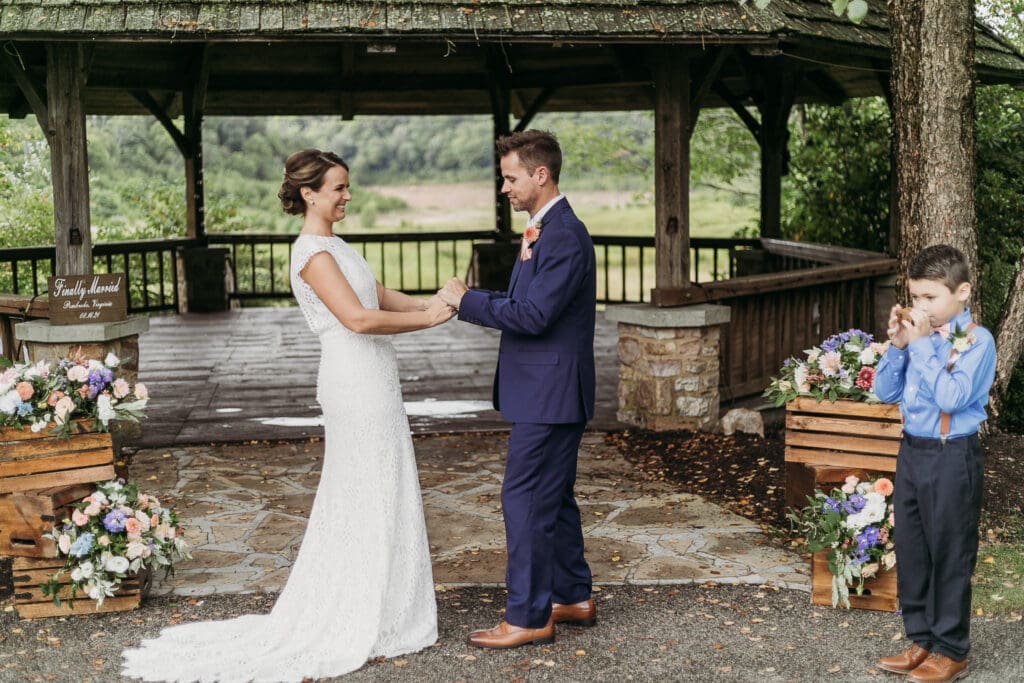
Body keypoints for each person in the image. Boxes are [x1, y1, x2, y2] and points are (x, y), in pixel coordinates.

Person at [123, 150, 455, 682]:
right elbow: (357, 318)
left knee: (382, 482)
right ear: (309, 193)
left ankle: (386, 603)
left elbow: (377, 295)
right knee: (362, 486)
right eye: (339, 188)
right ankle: (356, 608)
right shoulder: (311, 253)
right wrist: (430, 322)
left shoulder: (336, 246)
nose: (348, 196)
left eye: (347, 187)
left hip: (375, 377)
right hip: (354, 378)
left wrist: (431, 302)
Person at [438, 129, 597, 649]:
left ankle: (529, 616)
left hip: (551, 393)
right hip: (548, 389)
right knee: (553, 497)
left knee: (524, 498)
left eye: (510, 178)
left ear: (540, 175)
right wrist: (476, 298)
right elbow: (527, 304)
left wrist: (467, 301)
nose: (504, 188)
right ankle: (571, 595)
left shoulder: (564, 235)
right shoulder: (543, 230)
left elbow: (533, 315)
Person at [872, 244, 996, 683]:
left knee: (949, 553)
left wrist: (922, 344)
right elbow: (884, 392)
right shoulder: (918, 340)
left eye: (930, 297)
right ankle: (922, 638)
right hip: (912, 452)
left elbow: (951, 398)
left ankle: (951, 648)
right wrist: (900, 346)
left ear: (961, 292)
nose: (919, 306)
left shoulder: (978, 341)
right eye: (915, 297)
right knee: (912, 550)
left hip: (951, 456)